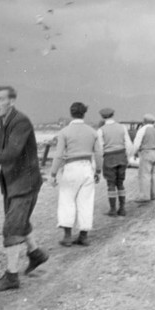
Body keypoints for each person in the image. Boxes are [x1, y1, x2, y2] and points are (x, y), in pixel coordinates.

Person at [0, 86, 49, 292]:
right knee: (19, 221)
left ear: (12, 101)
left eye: (1, 99)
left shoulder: (21, 121)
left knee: (11, 227)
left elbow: (12, 152)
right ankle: (36, 254)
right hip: (9, 182)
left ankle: (11, 277)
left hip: (26, 182)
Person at [49, 102, 103, 246]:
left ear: (71, 113)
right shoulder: (92, 132)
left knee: (67, 200)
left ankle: (67, 236)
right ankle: (83, 236)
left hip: (71, 168)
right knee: (86, 202)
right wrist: (98, 170)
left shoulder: (64, 132)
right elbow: (98, 153)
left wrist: (53, 173)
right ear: (84, 113)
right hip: (87, 167)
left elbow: (59, 155)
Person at [97, 107, 133, 216]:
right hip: (122, 156)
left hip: (109, 157)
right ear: (113, 114)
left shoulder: (101, 130)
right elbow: (129, 145)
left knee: (111, 184)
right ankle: (122, 208)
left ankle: (113, 209)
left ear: (102, 116)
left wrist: (100, 162)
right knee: (120, 183)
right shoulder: (122, 127)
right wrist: (128, 157)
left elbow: (99, 148)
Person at [133, 114, 155, 203]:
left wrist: (135, 153)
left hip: (147, 153)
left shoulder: (142, 130)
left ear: (144, 121)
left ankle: (145, 196)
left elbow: (137, 143)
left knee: (145, 174)